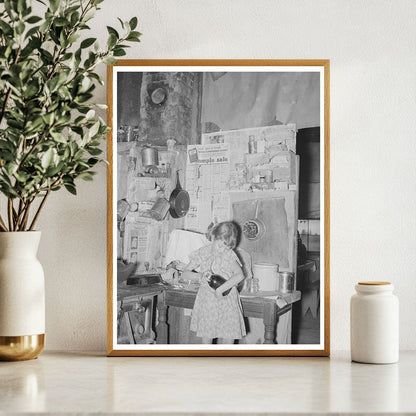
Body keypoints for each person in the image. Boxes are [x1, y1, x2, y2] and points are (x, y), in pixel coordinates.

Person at [180, 221, 246, 344]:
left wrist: (220, 290)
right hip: (207, 302)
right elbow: (185, 273)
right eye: (220, 246)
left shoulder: (229, 255)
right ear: (214, 237)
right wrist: (200, 276)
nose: (222, 250)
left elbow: (239, 275)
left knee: (228, 339)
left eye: (227, 248)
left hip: (227, 300)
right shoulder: (202, 253)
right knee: (207, 340)